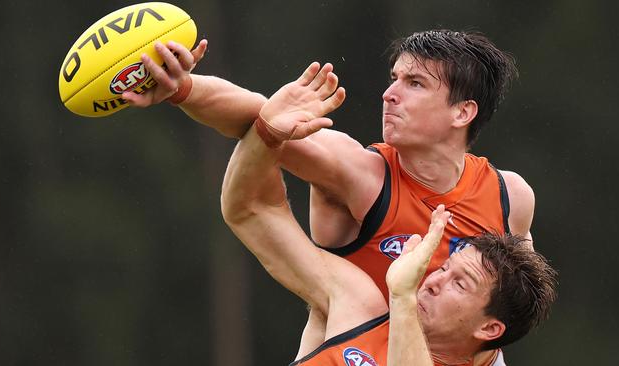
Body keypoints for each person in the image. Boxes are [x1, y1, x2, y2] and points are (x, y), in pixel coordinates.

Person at [123, 30, 533, 362]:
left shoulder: (509, 196)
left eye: (415, 83)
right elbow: (262, 116)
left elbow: (516, 303)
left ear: (463, 112)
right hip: (357, 347)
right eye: (394, 79)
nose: (389, 95)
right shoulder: (359, 175)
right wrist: (182, 89)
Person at [219, 63, 557, 365]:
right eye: (446, 268)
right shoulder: (358, 304)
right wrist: (267, 133)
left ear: (490, 328)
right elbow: (251, 210)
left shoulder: (396, 300)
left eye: (459, 283)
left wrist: (403, 298)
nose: (434, 280)